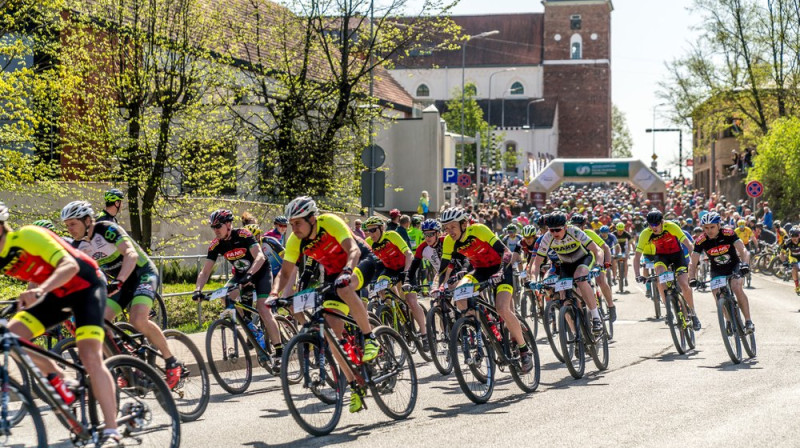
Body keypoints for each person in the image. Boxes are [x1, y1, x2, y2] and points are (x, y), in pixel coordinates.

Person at [0, 202, 122, 446]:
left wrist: (41, 289)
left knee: (90, 356)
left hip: (86, 286)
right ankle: (59, 379)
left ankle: (112, 429)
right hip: (55, 295)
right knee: (12, 337)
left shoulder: (27, 236)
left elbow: (70, 265)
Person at [268, 197, 379, 413]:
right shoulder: (295, 240)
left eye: (298, 223)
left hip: (360, 261)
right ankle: (355, 384)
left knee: (345, 288)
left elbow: (353, 250)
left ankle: (369, 337)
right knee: (329, 329)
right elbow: (286, 272)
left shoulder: (329, 222)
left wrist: (347, 271)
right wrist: (274, 293)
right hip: (332, 274)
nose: (294, 228)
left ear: (312, 219)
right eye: (291, 224)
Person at [61, 201, 185, 390]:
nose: (69, 229)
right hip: (120, 284)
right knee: (99, 324)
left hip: (142, 274)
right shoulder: (78, 246)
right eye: (66, 225)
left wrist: (119, 281)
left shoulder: (107, 229)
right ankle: (125, 368)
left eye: (72, 224)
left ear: (87, 220)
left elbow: (130, 254)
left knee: (138, 319)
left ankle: (171, 362)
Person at [437, 207, 534, 373]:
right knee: (460, 295)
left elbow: (506, 251)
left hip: (501, 268)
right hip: (480, 270)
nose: (449, 231)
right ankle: (480, 326)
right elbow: (444, 268)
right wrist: (440, 286)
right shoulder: (448, 241)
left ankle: (524, 350)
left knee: (502, 308)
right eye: (446, 228)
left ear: (463, 224)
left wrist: (501, 271)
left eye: (453, 227)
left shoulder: (478, 230)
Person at [193, 209, 284, 369]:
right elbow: (205, 271)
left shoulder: (243, 235)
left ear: (228, 224)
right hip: (242, 275)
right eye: (213, 227)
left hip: (260, 271)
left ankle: (279, 352)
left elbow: (260, 257)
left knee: (263, 309)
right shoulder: (216, 244)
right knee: (225, 297)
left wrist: (249, 275)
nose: (215, 230)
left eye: (218, 226)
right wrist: (197, 290)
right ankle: (251, 327)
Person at [531, 212, 605, 333]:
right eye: (551, 230)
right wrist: (533, 279)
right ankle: (576, 334)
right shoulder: (547, 238)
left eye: (557, 230)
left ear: (565, 227)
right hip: (566, 264)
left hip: (583, 259)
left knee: (579, 277)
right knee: (563, 297)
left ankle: (596, 317)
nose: (554, 233)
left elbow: (597, 250)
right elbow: (537, 263)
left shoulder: (574, 231)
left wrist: (598, 266)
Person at [362, 216, 427, 350]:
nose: (371, 234)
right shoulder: (368, 242)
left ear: (381, 228)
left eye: (373, 230)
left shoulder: (391, 235)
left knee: (411, 300)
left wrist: (407, 272)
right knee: (381, 288)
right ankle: (395, 308)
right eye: (368, 231)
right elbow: (363, 262)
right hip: (390, 269)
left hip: (406, 267)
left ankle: (425, 334)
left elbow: (409, 254)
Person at [633, 209, 699, 330]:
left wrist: (694, 262)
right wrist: (637, 274)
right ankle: (668, 310)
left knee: (684, 284)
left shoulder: (671, 226)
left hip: (677, 255)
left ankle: (693, 313)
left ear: (662, 222)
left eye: (656, 224)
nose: (653, 227)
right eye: (650, 225)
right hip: (661, 257)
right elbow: (637, 256)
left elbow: (689, 244)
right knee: (660, 278)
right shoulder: (645, 233)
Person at [689, 212, 754, 333]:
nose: (709, 230)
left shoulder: (728, 233)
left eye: (712, 227)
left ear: (719, 225)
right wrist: (692, 278)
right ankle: (728, 320)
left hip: (734, 265)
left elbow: (743, 250)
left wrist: (745, 264)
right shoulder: (700, 240)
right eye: (706, 228)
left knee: (736, 287)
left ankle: (748, 321)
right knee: (716, 292)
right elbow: (693, 262)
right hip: (717, 269)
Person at [780, 227, 800, 294]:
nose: (795, 238)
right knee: (795, 268)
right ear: (790, 236)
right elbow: (782, 253)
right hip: (793, 257)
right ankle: (797, 286)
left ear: (799, 235)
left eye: (796, 236)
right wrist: (784, 262)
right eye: (792, 236)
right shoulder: (787, 242)